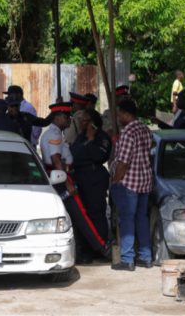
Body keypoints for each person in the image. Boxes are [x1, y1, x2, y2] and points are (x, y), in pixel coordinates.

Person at [40, 102, 109, 259]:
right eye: (66, 117)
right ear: (57, 118)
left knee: (79, 216)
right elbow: (56, 160)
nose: (70, 120)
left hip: (68, 176)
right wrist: (68, 183)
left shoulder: (57, 134)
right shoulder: (54, 135)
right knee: (81, 216)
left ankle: (87, 250)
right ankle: (100, 246)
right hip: (62, 179)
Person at [111, 99, 153, 271]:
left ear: (127, 114)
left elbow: (123, 162)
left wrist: (116, 180)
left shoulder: (128, 132)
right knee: (141, 218)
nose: (119, 117)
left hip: (129, 182)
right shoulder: (145, 129)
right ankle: (146, 257)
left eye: (120, 114)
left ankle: (127, 259)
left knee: (127, 219)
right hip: (145, 180)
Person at [70, 109, 112, 263]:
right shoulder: (81, 136)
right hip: (80, 178)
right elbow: (73, 154)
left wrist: (91, 139)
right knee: (83, 215)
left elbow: (98, 156)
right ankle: (87, 249)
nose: (82, 123)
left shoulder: (102, 138)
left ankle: (100, 248)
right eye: (81, 120)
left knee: (96, 213)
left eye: (85, 120)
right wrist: (87, 140)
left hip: (94, 179)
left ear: (93, 123)